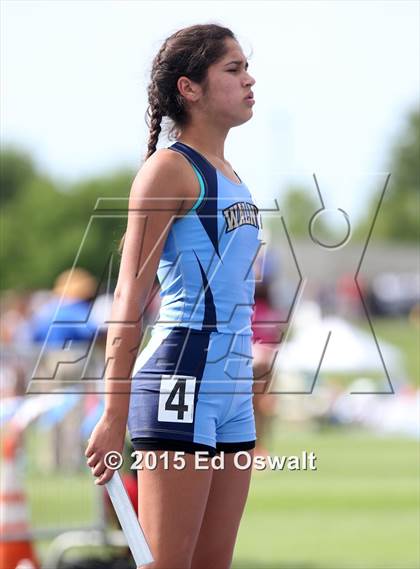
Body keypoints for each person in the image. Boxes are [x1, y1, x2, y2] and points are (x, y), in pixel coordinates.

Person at [85, 23, 258, 569]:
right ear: (190, 88)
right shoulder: (168, 170)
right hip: (179, 379)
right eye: (233, 69)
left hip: (232, 388)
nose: (250, 80)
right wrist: (113, 414)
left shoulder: (232, 175)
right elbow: (128, 295)